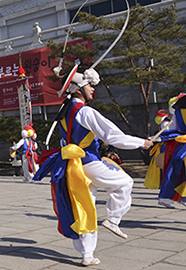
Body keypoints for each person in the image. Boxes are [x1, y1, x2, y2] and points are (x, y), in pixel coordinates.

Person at [34, 65, 152, 266]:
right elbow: (112, 134)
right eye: (89, 85)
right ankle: (113, 220)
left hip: (74, 167)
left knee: (85, 208)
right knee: (125, 182)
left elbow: (80, 140)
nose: (93, 88)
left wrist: (103, 150)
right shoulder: (85, 111)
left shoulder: (66, 111)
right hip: (88, 163)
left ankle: (87, 255)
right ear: (78, 88)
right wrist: (142, 142)